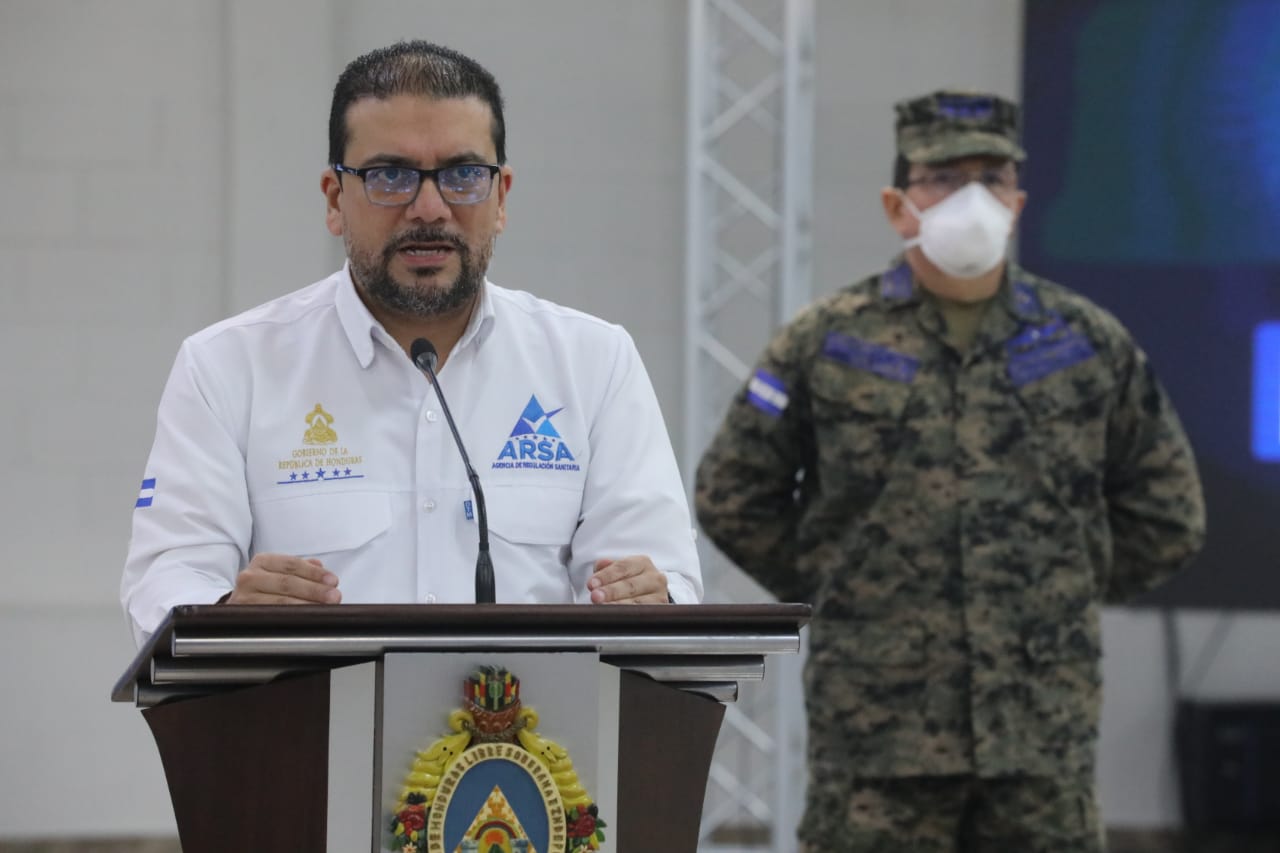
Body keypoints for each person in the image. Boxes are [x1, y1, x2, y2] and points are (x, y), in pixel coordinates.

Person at [694, 91, 1205, 852]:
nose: (973, 199)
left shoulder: (1085, 342)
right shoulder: (826, 341)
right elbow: (731, 493)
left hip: (1040, 735)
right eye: (943, 178)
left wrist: (1057, 591)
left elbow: (1169, 511)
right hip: (878, 738)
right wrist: (842, 585)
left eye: (992, 178)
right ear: (898, 205)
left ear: (1018, 203)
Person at [121, 41, 702, 647]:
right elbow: (167, 577)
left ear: (501, 197)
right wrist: (225, 611)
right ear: (334, 200)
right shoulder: (228, 368)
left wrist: (652, 598)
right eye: (390, 176)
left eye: (463, 175)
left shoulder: (593, 364)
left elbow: (665, 579)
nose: (429, 209)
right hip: (307, 709)